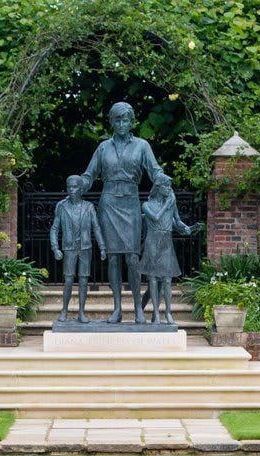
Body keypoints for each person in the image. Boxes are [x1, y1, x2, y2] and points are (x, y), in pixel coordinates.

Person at [79, 101, 166, 324]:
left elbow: (154, 170)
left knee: (132, 258)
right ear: (111, 121)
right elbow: (90, 175)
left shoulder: (142, 146)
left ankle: (138, 308)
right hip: (108, 204)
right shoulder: (103, 147)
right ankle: (117, 309)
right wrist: (80, 183)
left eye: (125, 119)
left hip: (130, 203)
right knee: (113, 259)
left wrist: (162, 179)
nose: (121, 124)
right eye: (117, 120)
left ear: (131, 121)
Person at [139, 175, 201, 324]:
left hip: (166, 243)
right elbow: (155, 218)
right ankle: (156, 314)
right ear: (158, 187)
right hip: (152, 243)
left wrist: (190, 228)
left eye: (169, 186)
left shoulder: (171, 204)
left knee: (167, 280)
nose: (169, 189)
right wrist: (167, 205)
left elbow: (178, 222)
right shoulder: (146, 205)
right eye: (166, 186)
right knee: (153, 280)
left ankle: (167, 312)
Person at [49, 174, 105, 322]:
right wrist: (55, 248)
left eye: (74, 187)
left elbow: (96, 228)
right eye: (69, 187)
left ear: (81, 189)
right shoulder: (62, 207)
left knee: (83, 281)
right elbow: (54, 229)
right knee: (68, 280)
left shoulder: (89, 207)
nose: (71, 190)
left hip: (85, 247)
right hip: (69, 248)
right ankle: (64, 311)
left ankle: (81, 312)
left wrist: (102, 247)